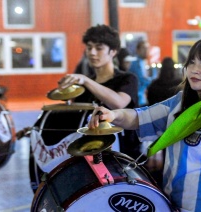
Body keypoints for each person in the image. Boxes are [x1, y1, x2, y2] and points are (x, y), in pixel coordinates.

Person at [88, 35, 201, 211]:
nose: (194, 70)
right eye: (191, 62)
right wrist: (112, 114)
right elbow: (140, 117)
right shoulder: (180, 102)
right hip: (171, 206)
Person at [57, 24, 141, 158]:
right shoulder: (84, 86)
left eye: (99, 48)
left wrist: (86, 80)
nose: (92, 52)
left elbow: (118, 103)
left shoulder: (128, 78)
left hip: (123, 155)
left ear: (113, 51)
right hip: (90, 154)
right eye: (89, 48)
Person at [129, 40, 157, 106]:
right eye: (143, 48)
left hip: (150, 98)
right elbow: (138, 80)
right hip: (139, 99)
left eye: (147, 48)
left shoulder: (151, 64)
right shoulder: (134, 64)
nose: (146, 50)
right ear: (137, 50)